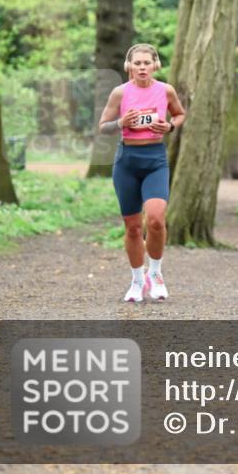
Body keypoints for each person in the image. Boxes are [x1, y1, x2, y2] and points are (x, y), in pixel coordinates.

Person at [97, 43, 185, 303]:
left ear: (155, 65)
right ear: (129, 67)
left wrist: (169, 126)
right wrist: (121, 123)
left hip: (155, 159)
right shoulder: (119, 93)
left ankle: (156, 274)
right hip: (127, 162)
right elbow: (104, 126)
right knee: (133, 227)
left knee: (156, 220)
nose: (142, 67)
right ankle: (137, 280)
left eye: (147, 62)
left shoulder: (165, 90)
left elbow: (180, 114)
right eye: (137, 63)